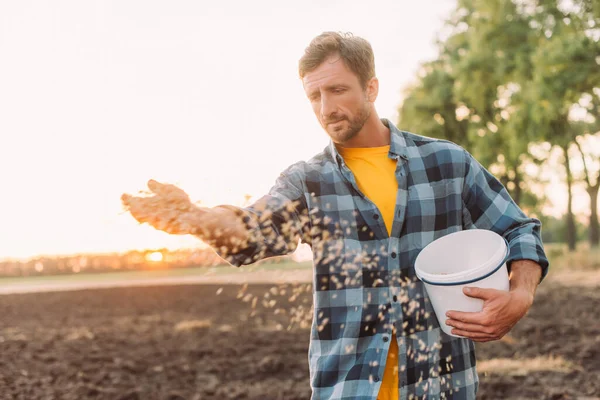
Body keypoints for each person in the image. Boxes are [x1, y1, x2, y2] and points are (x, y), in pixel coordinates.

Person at [121, 32, 549, 400]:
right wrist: (194, 216)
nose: (326, 108)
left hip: (444, 386)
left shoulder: (446, 163)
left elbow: (518, 229)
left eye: (338, 90)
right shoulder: (308, 181)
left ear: (371, 87)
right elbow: (251, 230)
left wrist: (521, 295)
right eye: (314, 96)